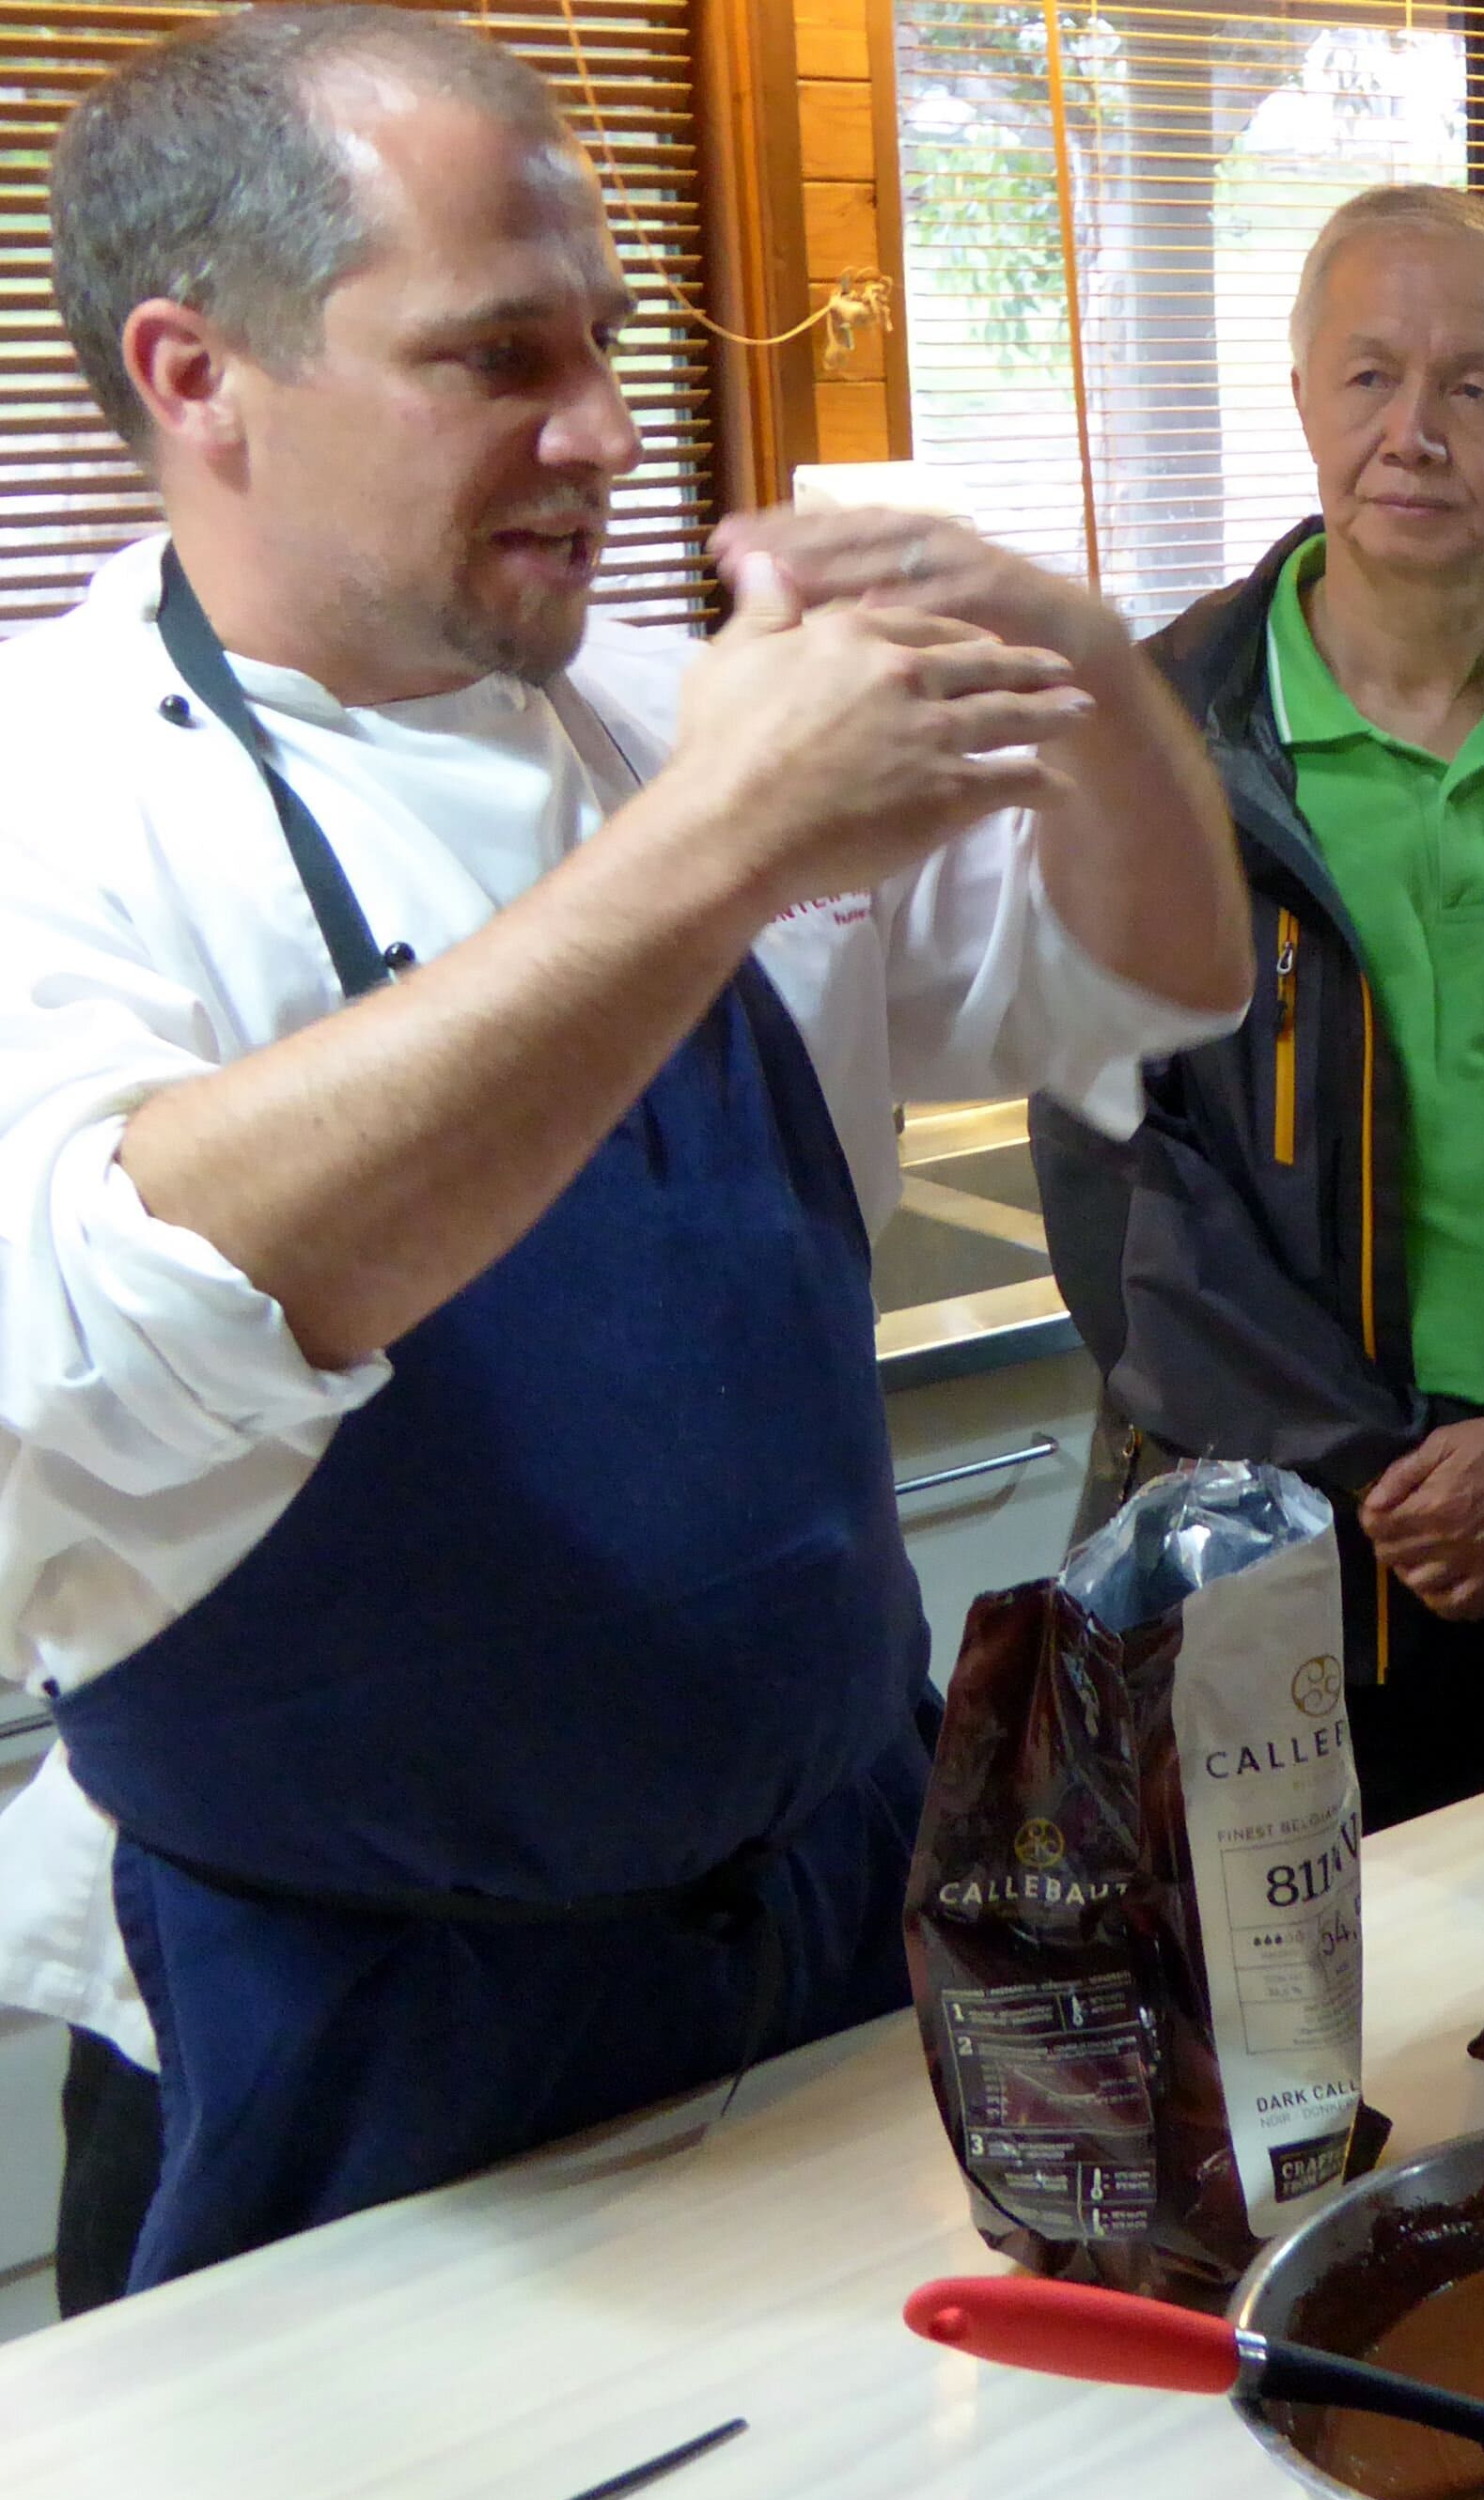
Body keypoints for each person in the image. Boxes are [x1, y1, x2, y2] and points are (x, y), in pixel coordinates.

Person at [0, 5, 1247, 2300]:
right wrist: (710, 853)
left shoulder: (681, 720)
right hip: (355, 2039)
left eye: (607, 340)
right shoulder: (62, 797)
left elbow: (1151, 980)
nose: (606, 433)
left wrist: (1072, 640)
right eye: (494, 360)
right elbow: (105, 1331)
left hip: (842, 1941)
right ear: (199, 378)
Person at [1031, 186, 1484, 1827]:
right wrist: (1394, 1477)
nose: (1413, 434)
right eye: (1369, 378)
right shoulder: (1151, 741)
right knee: (1294, 2045)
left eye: (1476, 388)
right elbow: (1122, 1182)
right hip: (1277, 1552)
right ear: (1301, 398)